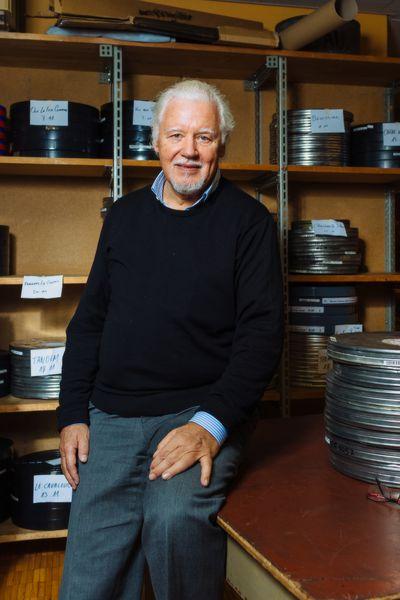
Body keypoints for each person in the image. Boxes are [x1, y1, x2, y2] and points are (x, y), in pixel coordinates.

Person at [57, 79, 283, 600]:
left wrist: (210, 425)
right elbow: (89, 320)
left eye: (204, 137)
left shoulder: (249, 222)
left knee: (174, 520)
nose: (189, 150)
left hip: (195, 410)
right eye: (176, 134)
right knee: (87, 585)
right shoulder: (124, 217)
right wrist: (72, 411)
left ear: (221, 145)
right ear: (156, 141)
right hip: (111, 415)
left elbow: (262, 335)